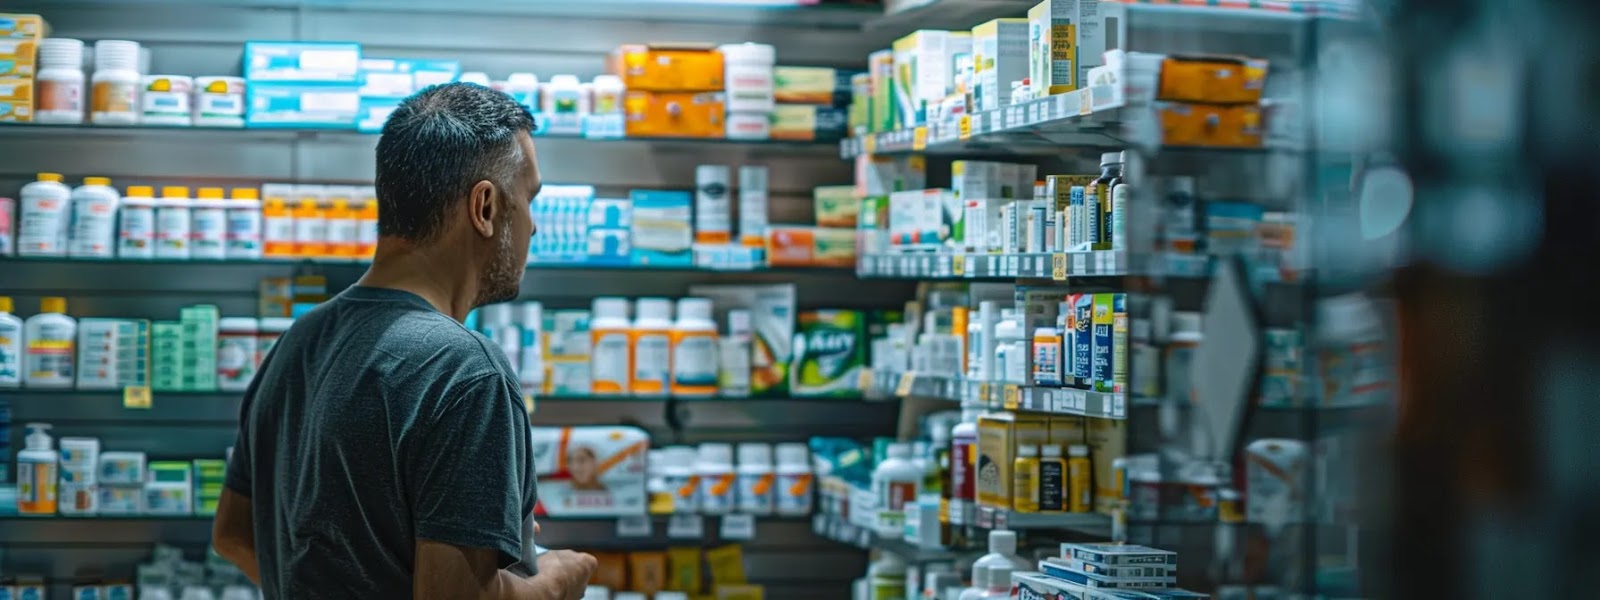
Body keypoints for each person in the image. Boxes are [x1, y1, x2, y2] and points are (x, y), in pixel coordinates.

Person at [213, 82, 597, 599]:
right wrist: (557, 581)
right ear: (484, 208)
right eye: (529, 200)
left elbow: (234, 535)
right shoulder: (465, 370)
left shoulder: (298, 340)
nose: (534, 228)